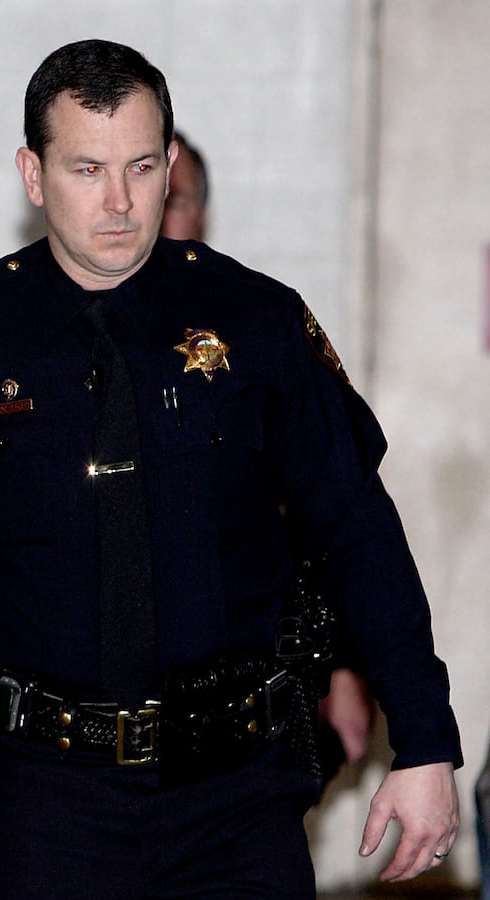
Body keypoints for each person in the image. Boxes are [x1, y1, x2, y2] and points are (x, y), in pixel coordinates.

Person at [0, 39, 461, 896]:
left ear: (171, 163)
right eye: (87, 168)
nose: (119, 202)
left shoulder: (258, 322)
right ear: (33, 175)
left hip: (235, 797)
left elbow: (358, 533)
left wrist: (425, 741)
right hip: (39, 801)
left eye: (142, 167)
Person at [161, 130, 381, 787]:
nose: (153, 211)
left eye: (177, 198)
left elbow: (336, 517)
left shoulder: (259, 334)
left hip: (249, 689)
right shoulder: (64, 336)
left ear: (203, 214)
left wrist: (343, 669)